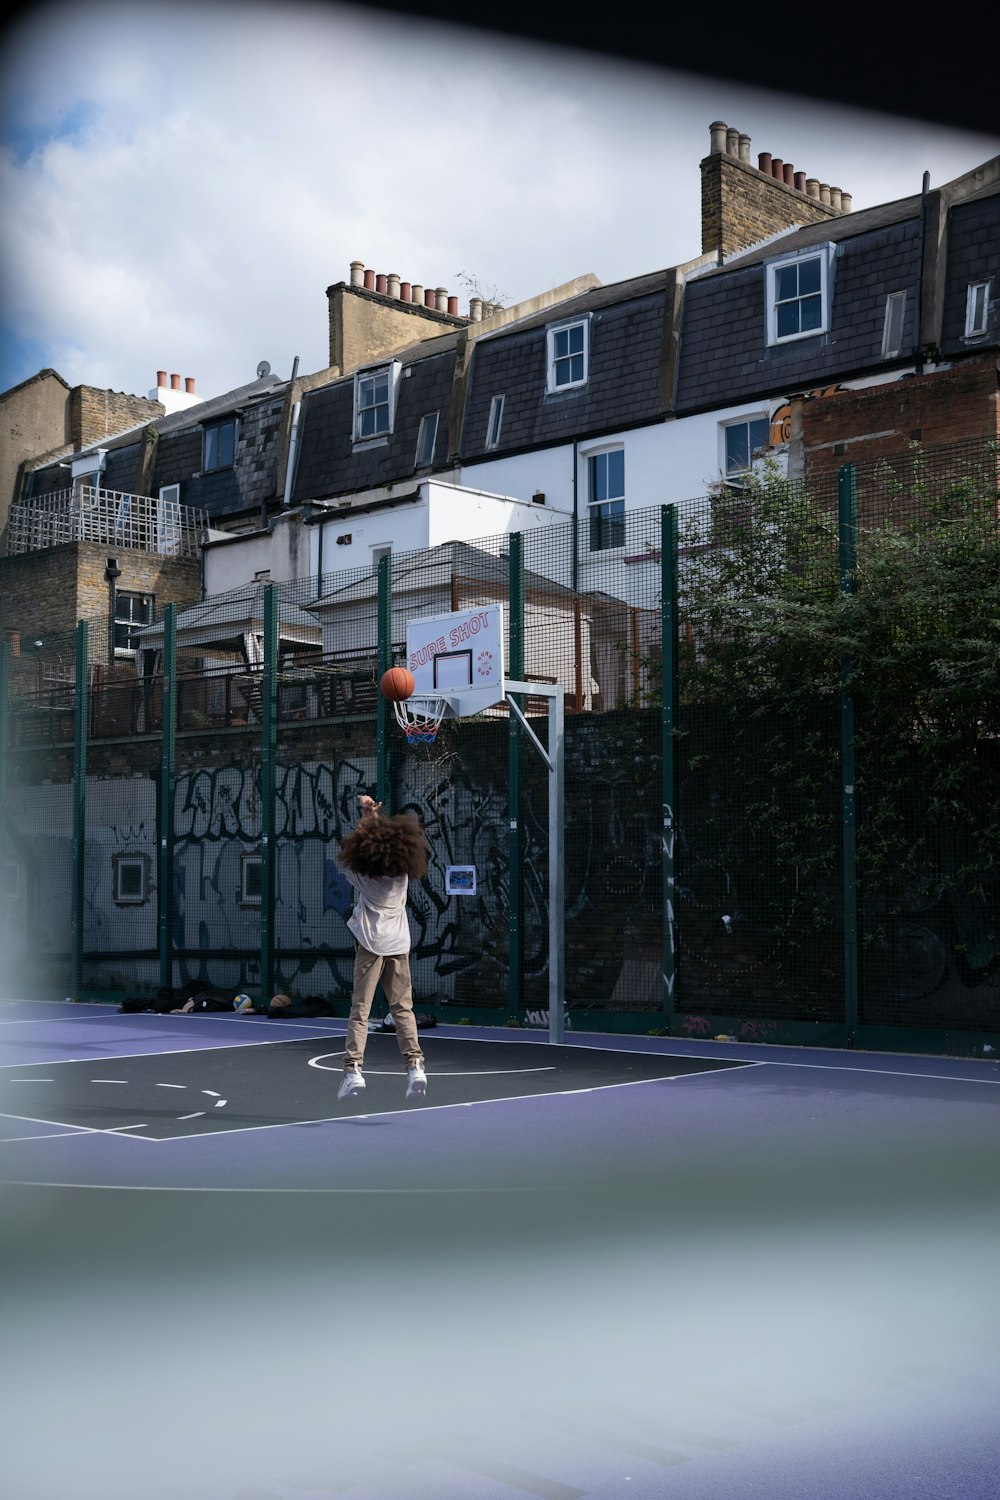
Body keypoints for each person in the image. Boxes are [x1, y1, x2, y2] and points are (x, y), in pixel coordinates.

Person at [337, 793, 429, 1101]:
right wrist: (373, 816)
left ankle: (353, 1071)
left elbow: (358, 844)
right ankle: (415, 1065)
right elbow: (380, 842)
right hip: (398, 945)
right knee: (402, 1008)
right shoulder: (402, 875)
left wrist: (366, 815)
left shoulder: (361, 876)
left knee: (360, 1010)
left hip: (370, 944)